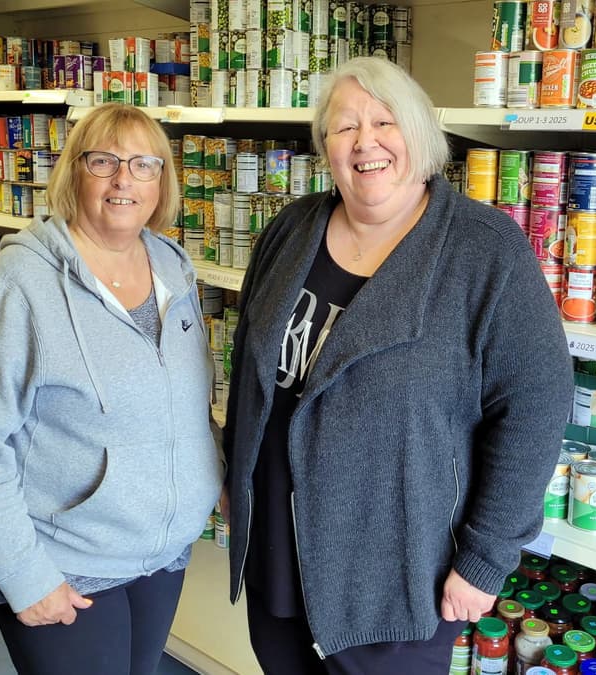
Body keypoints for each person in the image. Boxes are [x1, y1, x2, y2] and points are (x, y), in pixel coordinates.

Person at [221, 57, 573, 673]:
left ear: (420, 134)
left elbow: (535, 409)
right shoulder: (290, 229)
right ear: (325, 146)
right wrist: (236, 475)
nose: (365, 142)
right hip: (277, 551)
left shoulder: (484, 248)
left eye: (385, 122)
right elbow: (251, 366)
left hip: (397, 576)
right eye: (344, 127)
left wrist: (485, 559)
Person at [0, 103, 221, 675]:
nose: (124, 180)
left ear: (163, 180)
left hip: (162, 552)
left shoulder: (172, 266)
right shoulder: (18, 285)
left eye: (144, 164)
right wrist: (24, 576)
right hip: (66, 561)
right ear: (74, 173)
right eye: (104, 162)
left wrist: (212, 474)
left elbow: (187, 403)